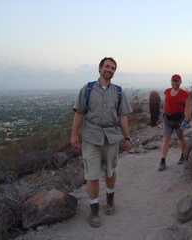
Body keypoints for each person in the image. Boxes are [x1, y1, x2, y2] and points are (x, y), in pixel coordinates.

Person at [71, 57, 132, 227]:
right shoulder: (88, 89)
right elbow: (79, 113)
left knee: (110, 171)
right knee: (92, 174)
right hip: (91, 137)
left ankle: (110, 200)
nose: (110, 70)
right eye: (107, 66)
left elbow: (123, 117)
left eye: (113, 68)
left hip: (112, 137)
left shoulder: (118, 92)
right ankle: (94, 209)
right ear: (100, 68)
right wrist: (73, 134)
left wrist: (127, 138)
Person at [159, 74, 192, 171]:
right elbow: (166, 103)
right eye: (173, 81)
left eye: (177, 81)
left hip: (179, 120)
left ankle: (183, 155)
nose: (175, 83)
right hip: (168, 119)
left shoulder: (185, 94)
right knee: (165, 139)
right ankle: (162, 160)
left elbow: (188, 107)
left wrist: (185, 121)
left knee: (180, 138)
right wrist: (163, 114)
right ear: (171, 81)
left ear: (180, 82)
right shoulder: (167, 91)